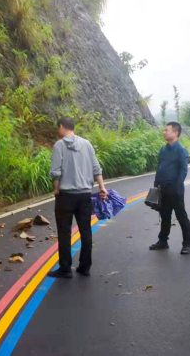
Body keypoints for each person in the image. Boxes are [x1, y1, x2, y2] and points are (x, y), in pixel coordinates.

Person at [48, 116, 107, 278]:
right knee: (86, 230)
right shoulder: (86, 144)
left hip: (66, 196)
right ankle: (85, 266)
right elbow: (96, 168)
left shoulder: (59, 145)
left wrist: (56, 189)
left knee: (64, 232)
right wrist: (102, 187)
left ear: (61, 127)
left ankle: (65, 268)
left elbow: (56, 171)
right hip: (84, 195)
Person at [150, 122, 190, 254]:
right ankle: (163, 241)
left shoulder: (181, 150)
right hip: (163, 187)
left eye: (166, 130)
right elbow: (160, 167)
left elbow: (183, 170)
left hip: (175, 189)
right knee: (164, 216)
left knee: (181, 216)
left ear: (175, 133)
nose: (164, 132)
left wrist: (178, 187)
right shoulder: (163, 149)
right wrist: (156, 183)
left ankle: (187, 244)